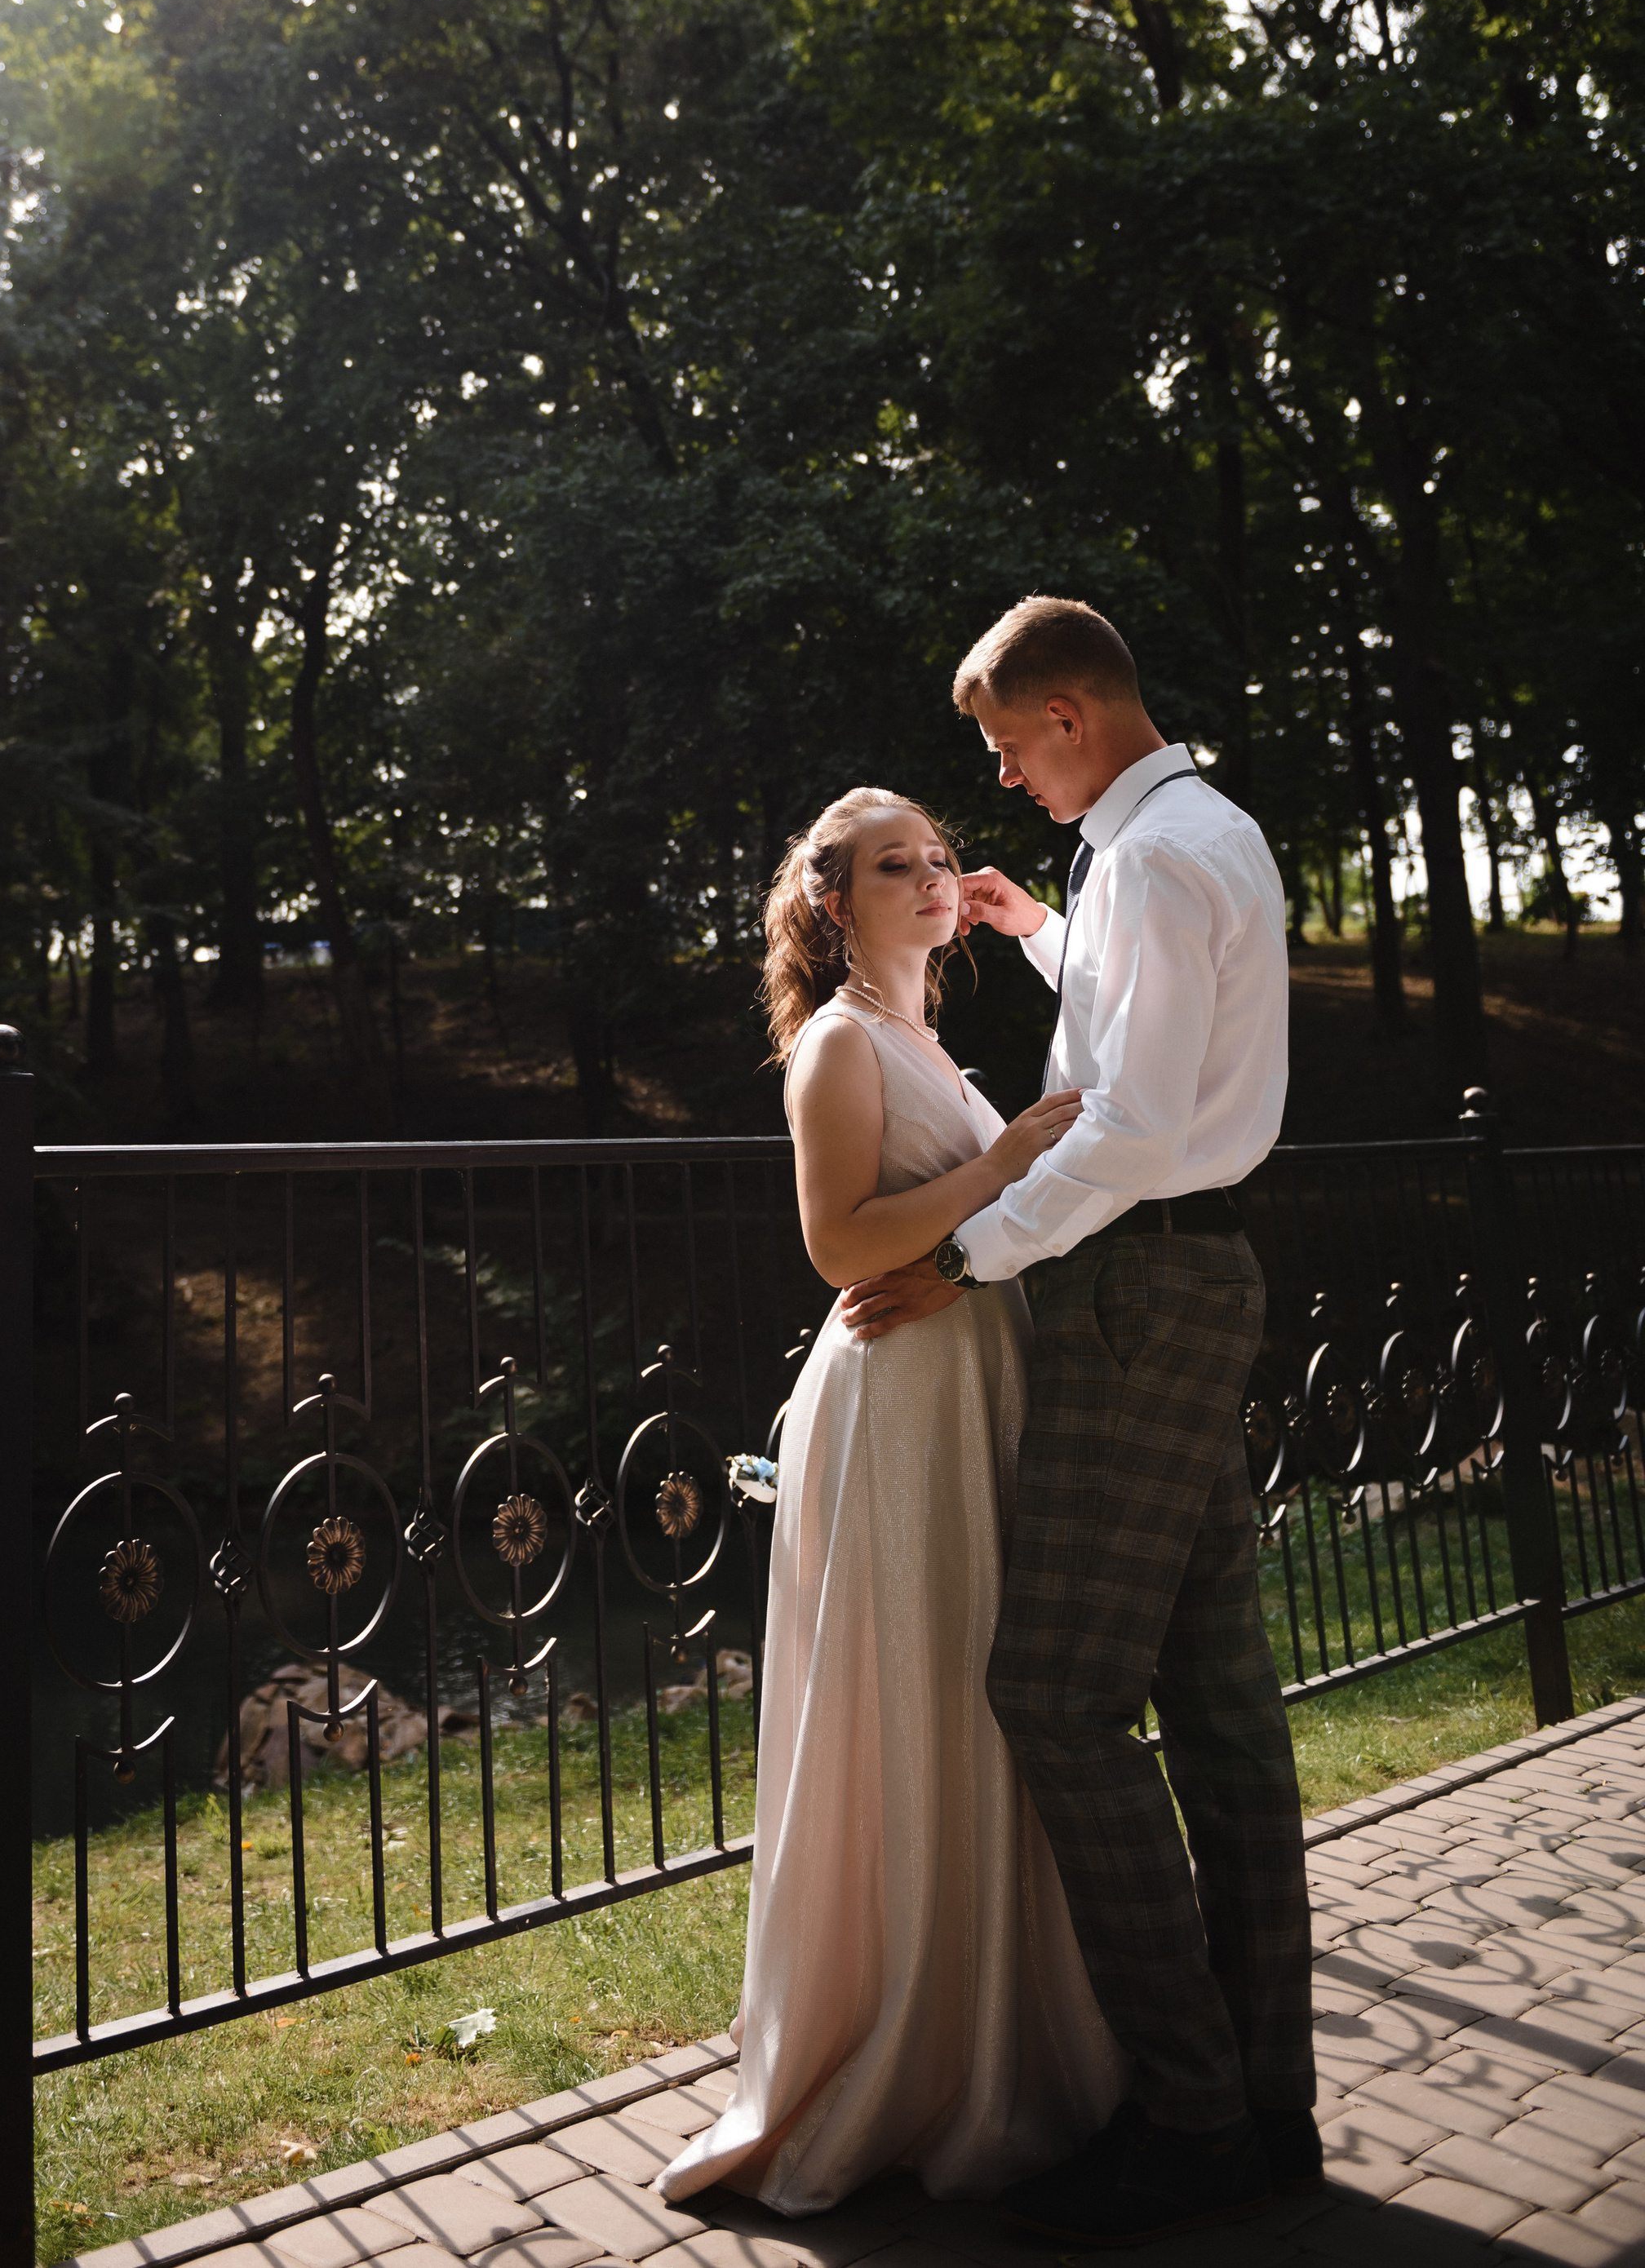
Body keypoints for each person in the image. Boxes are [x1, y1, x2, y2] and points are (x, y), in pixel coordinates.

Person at [844, 596, 1315, 2245]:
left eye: (1001, 743)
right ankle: (1265, 2109)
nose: (997, 774)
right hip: (1188, 1276)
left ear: (1065, 714)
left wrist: (967, 1259)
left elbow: (1126, 1122)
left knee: (1050, 1694)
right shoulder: (1179, 841)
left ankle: (1194, 2111)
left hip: (1139, 1288)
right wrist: (1042, 930)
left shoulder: (1159, 858)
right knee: (1218, 1704)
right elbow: (1155, 1037)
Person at [659, 785, 1126, 2215]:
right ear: (832, 900)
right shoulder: (840, 1045)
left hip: (975, 1386)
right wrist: (1000, 1163)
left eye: (937, 858)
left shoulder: (928, 1041)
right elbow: (836, 1243)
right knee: (923, 1692)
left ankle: (1009, 2026)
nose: (930, 879)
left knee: (988, 1692)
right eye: (892, 866)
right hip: (902, 1407)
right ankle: (914, 2046)